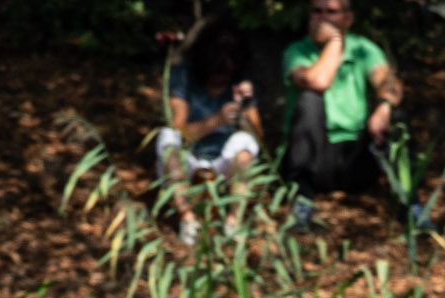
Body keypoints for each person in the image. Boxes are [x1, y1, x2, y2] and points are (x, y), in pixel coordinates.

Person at [281, 0, 425, 231]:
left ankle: (411, 204)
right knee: (310, 101)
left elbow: (389, 83)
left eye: (332, 12)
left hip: (356, 156)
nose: (323, 17)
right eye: (317, 11)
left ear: (348, 18)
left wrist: (384, 106)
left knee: (396, 114)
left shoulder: (363, 49)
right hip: (314, 158)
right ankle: (302, 202)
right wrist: (334, 42)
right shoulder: (296, 51)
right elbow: (317, 82)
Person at [157, 25, 263, 247]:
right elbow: (179, 133)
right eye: (216, 72)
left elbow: (258, 142)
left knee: (245, 143)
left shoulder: (241, 82)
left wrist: (244, 111)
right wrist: (217, 120)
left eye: (226, 72)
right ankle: (188, 220)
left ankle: (234, 223)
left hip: (223, 164)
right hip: (189, 160)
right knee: (166, 137)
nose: (220, 78)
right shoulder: (184, 76)